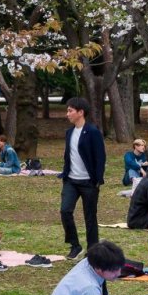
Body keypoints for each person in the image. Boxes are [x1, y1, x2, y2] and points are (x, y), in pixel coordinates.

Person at [58, 96, 106, 260]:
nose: (67, 114)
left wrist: (97, 180)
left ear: (81, 112)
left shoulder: (92, 132)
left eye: (70, 111)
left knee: (90, 217)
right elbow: (68, 155)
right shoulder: (69, 132)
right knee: (65, 211)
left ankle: (92, 249)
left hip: (88, 182)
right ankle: (75, 245)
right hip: (71, 181)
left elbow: (100, 157)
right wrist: (65, 174)